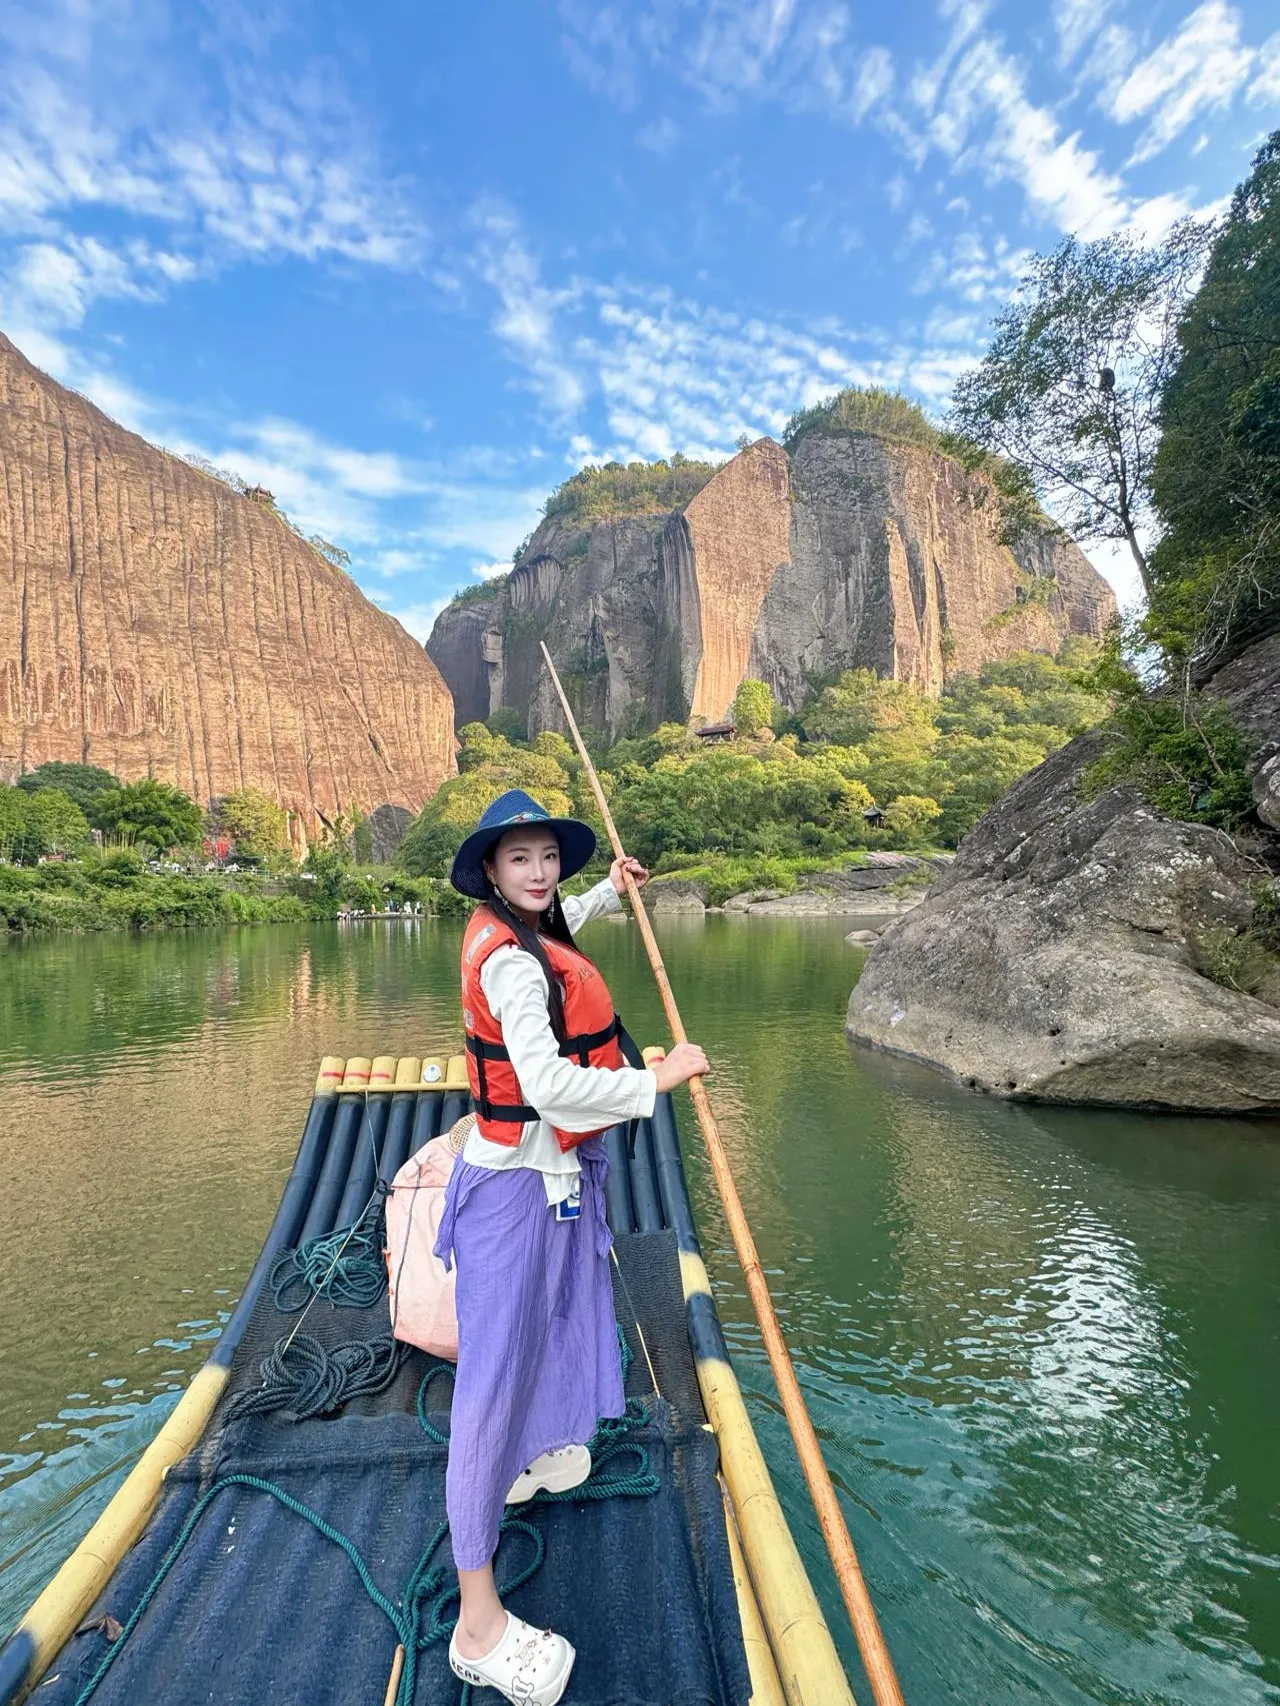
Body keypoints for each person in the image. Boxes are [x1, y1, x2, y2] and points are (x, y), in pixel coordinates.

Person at [437, 789, 710, 1706]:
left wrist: (609, 891)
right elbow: (550, 1086)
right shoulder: (508, 965)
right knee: (490, 1385)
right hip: (514, 1190)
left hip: (545, 1178)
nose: (540, 871)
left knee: (553, 1324)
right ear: (490, 870)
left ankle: (528, 1456)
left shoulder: (526, 929)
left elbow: (557, 933)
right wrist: (653, 1081)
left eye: (549, 856)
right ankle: (478, 1626)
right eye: (520, 858)